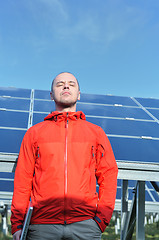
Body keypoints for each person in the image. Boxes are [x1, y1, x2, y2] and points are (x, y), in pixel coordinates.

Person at [11, 72, 118, 240]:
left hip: (85, 226)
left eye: (71, 84)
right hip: (41, 227)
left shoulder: (96, 133)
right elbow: (22, 180)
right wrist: (17, 224)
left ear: (79, 94)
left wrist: (100, 220)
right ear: (51, 95)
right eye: (60, 84)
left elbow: (109, 175)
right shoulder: (34, 133)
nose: (66, 86)